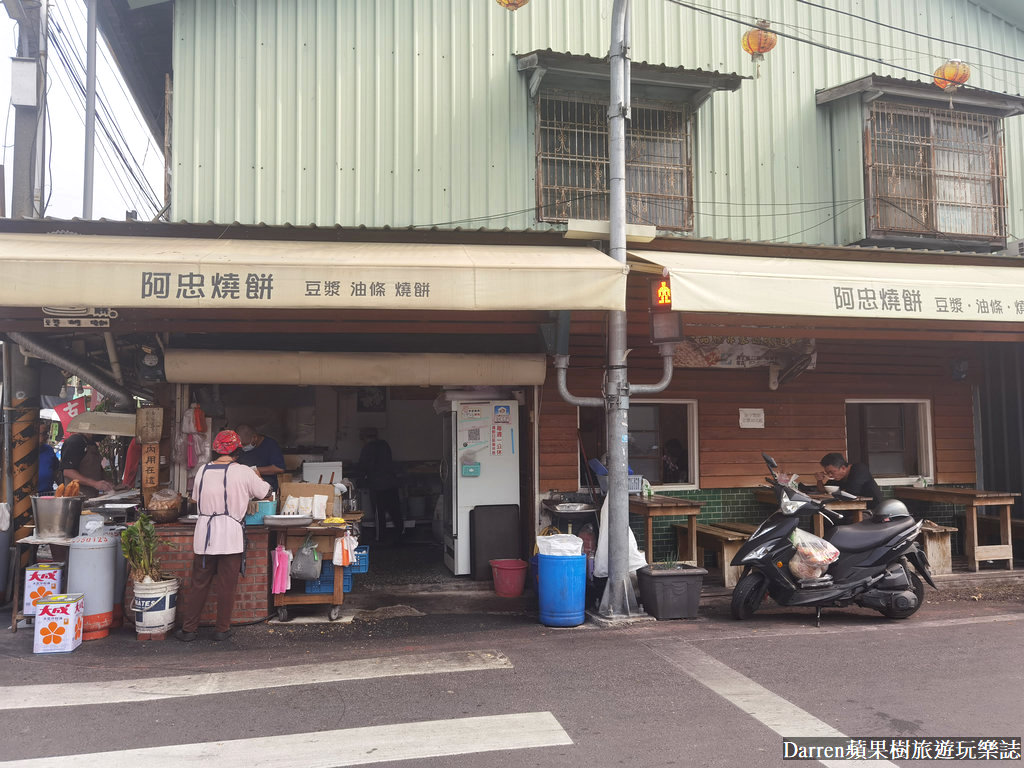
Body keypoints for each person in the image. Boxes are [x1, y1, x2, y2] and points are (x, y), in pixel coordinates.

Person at [176, 430, 271, 642]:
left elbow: (195, 498)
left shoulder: (202, 471)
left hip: (205, 536)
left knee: (199, 583)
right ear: (238, 451)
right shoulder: (244, 471)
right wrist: (256, 477)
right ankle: (222, 629)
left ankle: (189, 630)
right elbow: (265, 491)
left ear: (215, 451)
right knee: (227, 585)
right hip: (230, 535)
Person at [357, 429, 403, 544]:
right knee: (395, 510)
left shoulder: (367, 448)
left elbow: (363, 467)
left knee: (379, 514)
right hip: (392, 484)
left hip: (378, 486)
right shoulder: (385, 445)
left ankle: (380, 538)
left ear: (365, 438)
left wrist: (360, 482)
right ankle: (400, 533)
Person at [816, 452, 883, 509]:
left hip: (872, 510)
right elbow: (824, 491)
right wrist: (819, 480)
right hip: (849, 508)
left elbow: (852, 492)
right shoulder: (838, 477)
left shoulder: (859, 469)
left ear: (843, 468)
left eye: (831, 472)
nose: (830, 475)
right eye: (827, 473)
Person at [59, 432, 114, 498]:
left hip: (92, 497)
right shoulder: (74, 442)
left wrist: (111, 485)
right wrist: (94, 483)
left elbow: (97, 469)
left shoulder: (92, 443)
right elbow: (68, 472)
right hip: (76, 498)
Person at [234, 424, 286, 493]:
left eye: (244, 445)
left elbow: (279, 468)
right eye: (240, 445)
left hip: (266, 491)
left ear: (254, 437)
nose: (243, 448)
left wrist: (252, 470)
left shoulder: (270, 445)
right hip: (243, 491)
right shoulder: (237, 448)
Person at [37, 423, 60, 494]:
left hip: (47, 495)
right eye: (43, 434)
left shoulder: (48, 449)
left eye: (46, 433)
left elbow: (56, 473)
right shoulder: (20, 453)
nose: (46, 436)